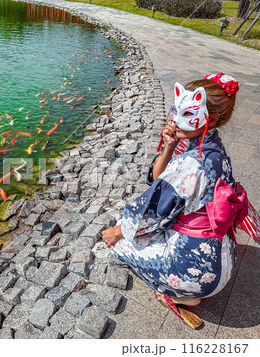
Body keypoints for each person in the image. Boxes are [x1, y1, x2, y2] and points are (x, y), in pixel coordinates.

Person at [101, 73, 256, 329]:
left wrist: (118, 231)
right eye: (176, 110)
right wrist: (169, 146)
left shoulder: (192, 163)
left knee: (120, 239)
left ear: (213, 118)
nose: (174, 120)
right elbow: (157, 179)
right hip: (221, 262)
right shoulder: (214, 149)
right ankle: (185, 288)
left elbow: (152, 210)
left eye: (185, 114)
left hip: (197, 275)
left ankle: (175, 293)